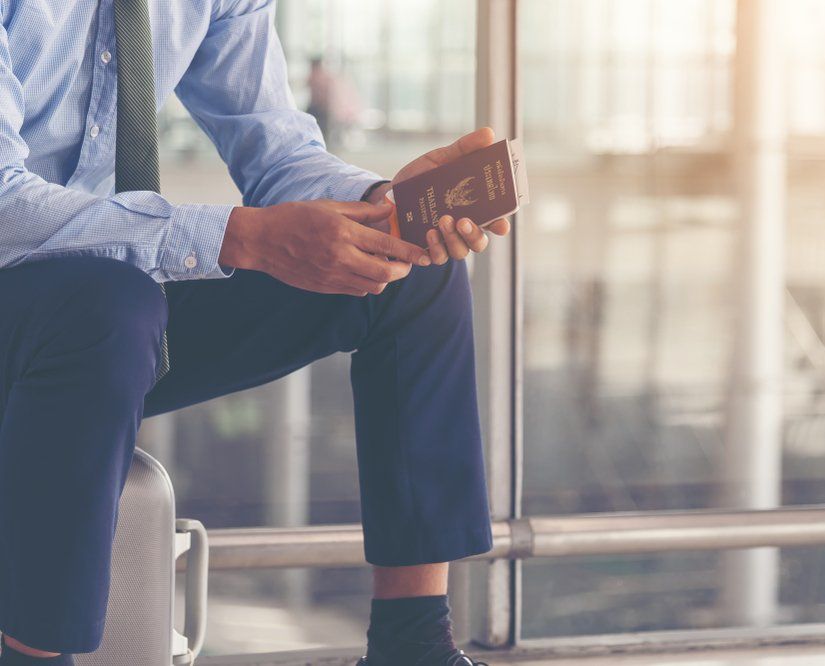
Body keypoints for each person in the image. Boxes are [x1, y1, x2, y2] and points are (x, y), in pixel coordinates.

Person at [0, 1, 508, 665]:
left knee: (406, 275)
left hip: (100, 314)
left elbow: (280, 155)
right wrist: (241, 237)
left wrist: (385, 209)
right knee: (110, 305)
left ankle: (413, 648)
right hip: (64, 306)